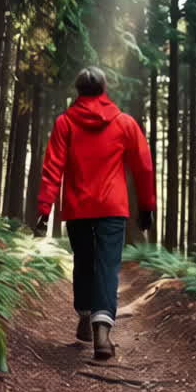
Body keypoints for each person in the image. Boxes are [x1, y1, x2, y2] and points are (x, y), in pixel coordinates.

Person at [35, 66, 156, 360]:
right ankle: (102, 329)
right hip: (112, 208)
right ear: (104, 89)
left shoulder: (65, 123)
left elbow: (52, 168)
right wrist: (146, 206)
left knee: (84, 261)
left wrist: (44, 209)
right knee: (107, 265)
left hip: (77, 208)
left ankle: (85, 314)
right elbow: (143, 167)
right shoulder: (124, 123)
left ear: (78, 91)